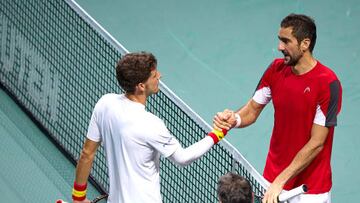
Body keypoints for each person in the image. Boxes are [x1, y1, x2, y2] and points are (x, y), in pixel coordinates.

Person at [213, 14, 342, 203]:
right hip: (272, 180)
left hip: (311, 191)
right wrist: (235, 119)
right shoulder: (276, 69)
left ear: (305, 44)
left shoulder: (328, 83)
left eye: (286, 41)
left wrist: (281, 180)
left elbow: (317, 143)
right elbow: (252, 109)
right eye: (280, 40)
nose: (280, 47)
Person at [71, 51, 227, 203]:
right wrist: (219, 132)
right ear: (141, 86)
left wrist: (78, 197)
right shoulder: (151, 124)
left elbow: (87, 153)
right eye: (154, 75)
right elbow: (183, 158)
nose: (159, 76)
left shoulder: (105, 103)